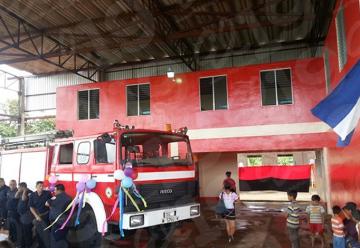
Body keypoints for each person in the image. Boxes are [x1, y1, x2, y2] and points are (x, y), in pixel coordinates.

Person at [45, 184, 72, 248]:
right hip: (66, 223)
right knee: (64, 239)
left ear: (58, 190)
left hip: (57, 223)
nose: (54, 192)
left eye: (55, 190)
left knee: (55, 240)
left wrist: (51, 207)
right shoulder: (69, 197)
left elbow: (46, 203)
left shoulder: (55, 197)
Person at [29, 181, 51, 248]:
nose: (41, 187)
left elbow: (51, 204)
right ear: (36, 187)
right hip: (37, 216)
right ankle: (39, 245)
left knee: (46, 233)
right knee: (38, 232)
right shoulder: (32, 195)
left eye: (42, 186)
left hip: (46, 216)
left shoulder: (47, 193)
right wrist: (36, 216)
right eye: (40, 186)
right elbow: (31, 207)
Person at [16, 182, 33, 248]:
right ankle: (23, 245)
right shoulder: (21, 192)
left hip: (27, 215)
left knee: (27, 232)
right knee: (23, 231)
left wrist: (25, 190)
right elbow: (16, 196)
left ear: (23, 187)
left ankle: (28, 245)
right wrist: (19, 191)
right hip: (22, 215)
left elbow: (23, 199)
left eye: (19, 187)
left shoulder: (30, 192)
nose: (18, 188)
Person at [6, 180, 19, 244]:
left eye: (13, 184)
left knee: (15, 227)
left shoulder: (18, 191)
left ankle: (15, 241)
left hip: (15, 212)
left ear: (16, 184)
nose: (12, 186)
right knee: (9, 226)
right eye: (11, 184)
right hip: (8, 212)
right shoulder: (8, 191)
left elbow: (14, 198)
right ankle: (11, 239)